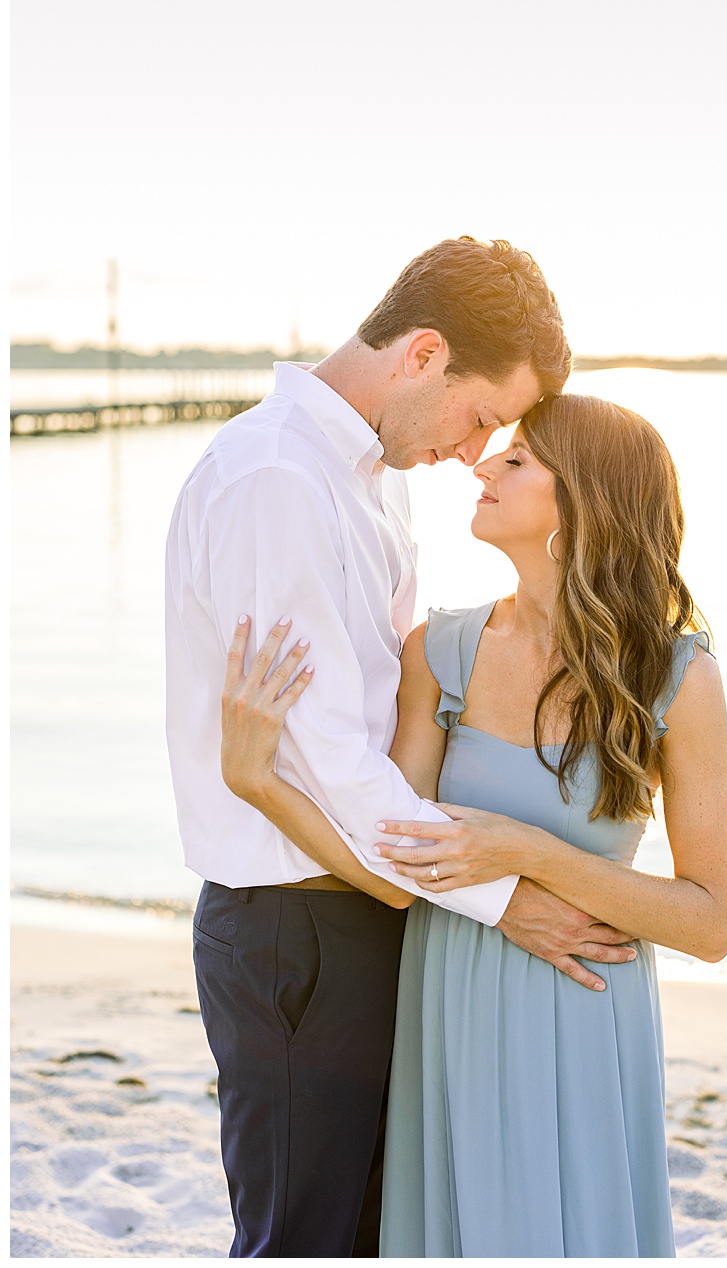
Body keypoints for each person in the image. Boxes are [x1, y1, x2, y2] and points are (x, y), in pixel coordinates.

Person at [166, 238, 641, 1257]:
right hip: (298, 927)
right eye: (480, 416)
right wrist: (511, 903)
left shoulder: (372, 480)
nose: (474, 452)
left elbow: (388, 733)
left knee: (380, 1236)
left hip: (380, 916)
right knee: (304, 1240)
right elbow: (331, 768)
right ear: (425, 353)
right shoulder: (276, 482)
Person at [219, 391, 727, 1256]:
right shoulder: (440, 651)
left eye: (520, 458)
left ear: (584, 503)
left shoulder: (678, 676)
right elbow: (389, 870)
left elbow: (712, 923)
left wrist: (527, 851)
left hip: (585, 1007)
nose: (485, 463)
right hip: (450, 1006)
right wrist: (256, 781)